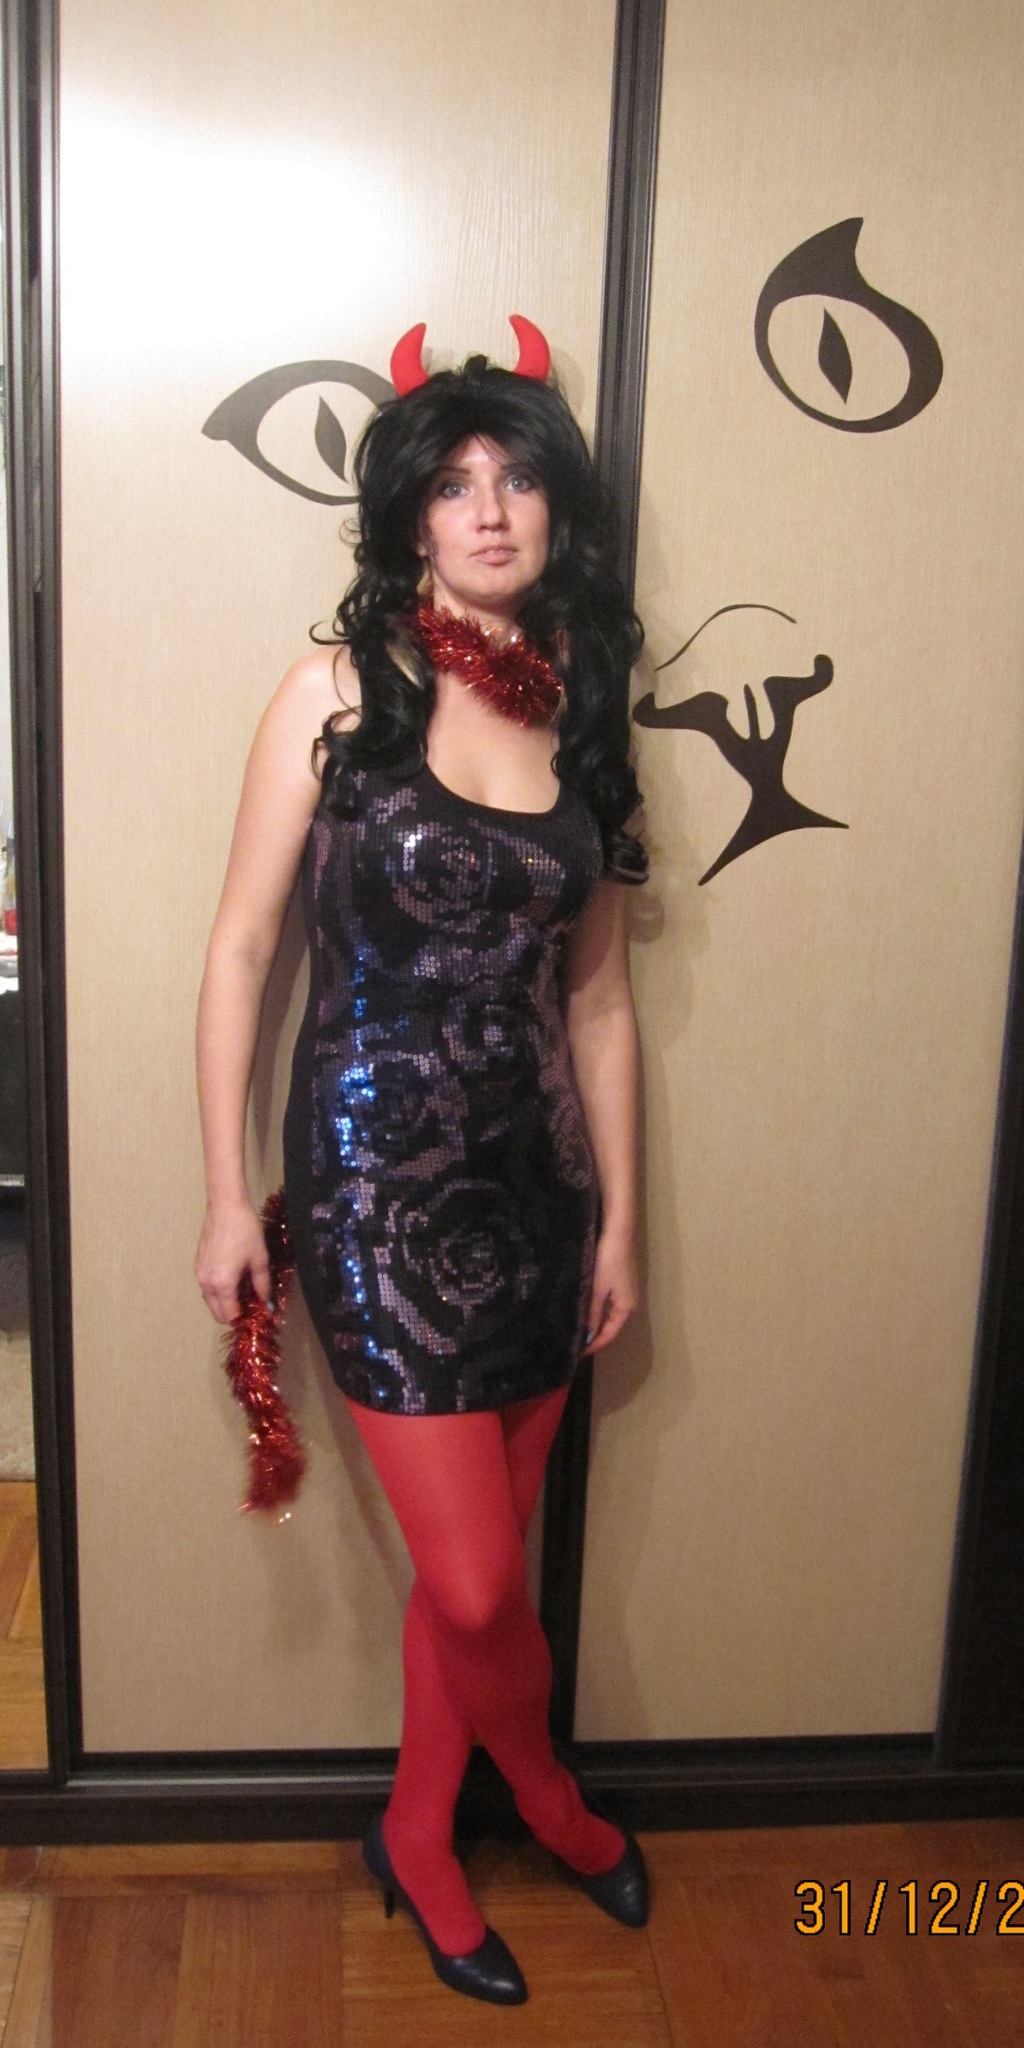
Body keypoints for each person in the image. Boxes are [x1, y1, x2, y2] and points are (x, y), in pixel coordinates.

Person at [195, 317, 649, 2006]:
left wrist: (625, 1226)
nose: (490, 510)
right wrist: (228, 1194)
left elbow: (598, 1002)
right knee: (472, 1581)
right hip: (376, 1197)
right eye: (454, 484)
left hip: (542, 1197)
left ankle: (419, 1832)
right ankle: (550, 1799)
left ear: (555, 510)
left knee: (478, 1591)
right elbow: (244, 950)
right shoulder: (336, 691)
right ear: (406, 517)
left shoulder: (580, 703)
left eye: (516, 478)